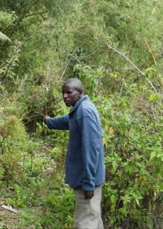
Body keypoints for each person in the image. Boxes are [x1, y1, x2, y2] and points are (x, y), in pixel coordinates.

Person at [44, 78, 105, 229]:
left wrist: (88, 182)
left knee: (85, 223)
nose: (65, 96)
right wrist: (50, 121)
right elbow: (68, 120)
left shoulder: (85, 112)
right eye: (63, 93)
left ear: (80, 93)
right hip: (88, 179)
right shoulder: (80, 109)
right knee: (93, 218)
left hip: (88, 182)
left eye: (69, 92)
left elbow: (91, 149)